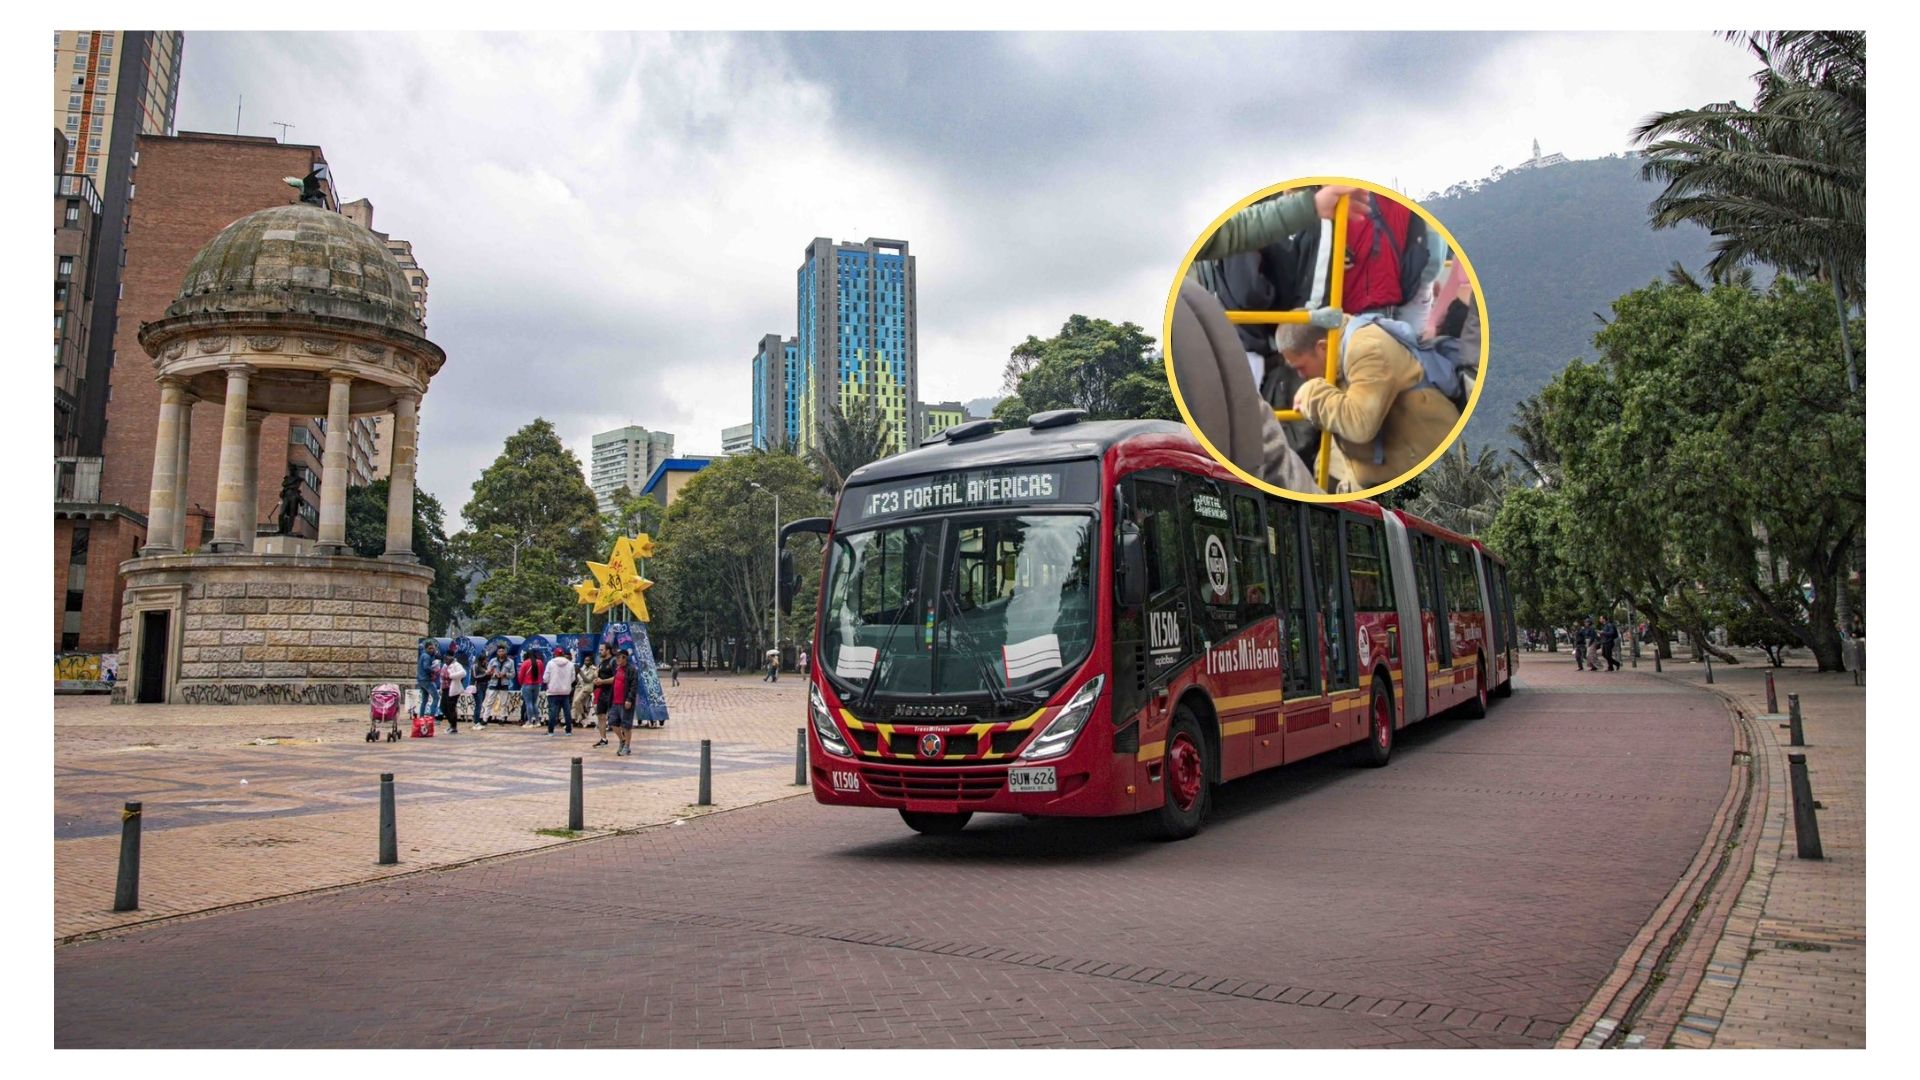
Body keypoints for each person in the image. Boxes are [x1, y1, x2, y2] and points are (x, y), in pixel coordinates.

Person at [1278, 319, 1462, 492]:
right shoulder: (1337, 351)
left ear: (1322, 347)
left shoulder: (1366, 348)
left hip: (1428, 458)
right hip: (1387, 457)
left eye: (1300, 367)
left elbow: (1360, 424)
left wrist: (1313, 394)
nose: (1301, 376)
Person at [606, 649, 640, 757]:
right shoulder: (617, 669)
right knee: (613, 723)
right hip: (615, 701)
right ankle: (622, 740)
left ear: (625, 658)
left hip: (625, 702)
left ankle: (627, 746)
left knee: (626, 725)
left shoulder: (631, 670)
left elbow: (634, 686)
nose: (617, 659)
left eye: (619, 657)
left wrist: (629, 699)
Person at [544, 647, 576, 734]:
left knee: (553, 712)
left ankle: (551, 731)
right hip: (565, 691)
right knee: (567, 711)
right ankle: (568, 730)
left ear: (555, 654)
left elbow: (545, 678)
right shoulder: (570, 664)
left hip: (553, 691)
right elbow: (573, 678)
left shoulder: (550, 663)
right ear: (563, 654)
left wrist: (549, 683)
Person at [591, 643, 616, 749]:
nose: (600, 652)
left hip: (612, 692)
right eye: (600, 650)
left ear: (608, 650)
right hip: (602, 692)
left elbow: (616, 677)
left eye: (602, 650)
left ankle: (623, 738)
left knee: (615, 717)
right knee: (601, 715)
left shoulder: (614, 661)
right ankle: (603, 739)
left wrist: (603, 681)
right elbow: (599, 675)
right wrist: (596, 679)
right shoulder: (601, 663)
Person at [483, 645, 515, 727]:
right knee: (489, 702)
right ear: (497, 652)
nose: (501, 653)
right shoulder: (493, 661)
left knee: (503, 703)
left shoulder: (510, 662)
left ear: (505, 652)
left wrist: (505, 674)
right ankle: (485, 719)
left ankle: (502, 719)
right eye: (499, 651)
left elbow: (513, 674)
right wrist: (494, 674)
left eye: (502, 651)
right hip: (493, 683)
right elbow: (487, 672)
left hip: (504, 684)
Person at [518, 649, 545, 727]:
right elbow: (542, 673)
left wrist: (521, 684)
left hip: (527, 684)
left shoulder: (525, 663)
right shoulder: (540, 662)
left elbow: (521, 675)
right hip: (537, 685)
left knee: (528, 703)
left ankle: (529, 721)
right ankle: (537, 721)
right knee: (534, 703)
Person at [415, 640, 442, 722]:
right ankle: (431, 717)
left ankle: (422, 717)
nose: (432, 650)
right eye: (430, 648)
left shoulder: (423, 655)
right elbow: (426, 667)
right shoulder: (426, 656)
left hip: (421, 680)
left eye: (433, 648)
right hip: (426, 680)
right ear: (426, 648)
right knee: (436, 698)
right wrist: (433, 672)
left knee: (424, 700)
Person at [441, 655, 467, 733]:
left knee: (451, 707)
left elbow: (463, 673)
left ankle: (453, 726)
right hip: (445, 688)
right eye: (445, 658)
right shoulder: (445, 666)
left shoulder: (456, 665)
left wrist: (451, 676)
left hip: (453, 689)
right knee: (443, 707)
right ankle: (451, 723)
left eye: (448, 658)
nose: (446, 659)